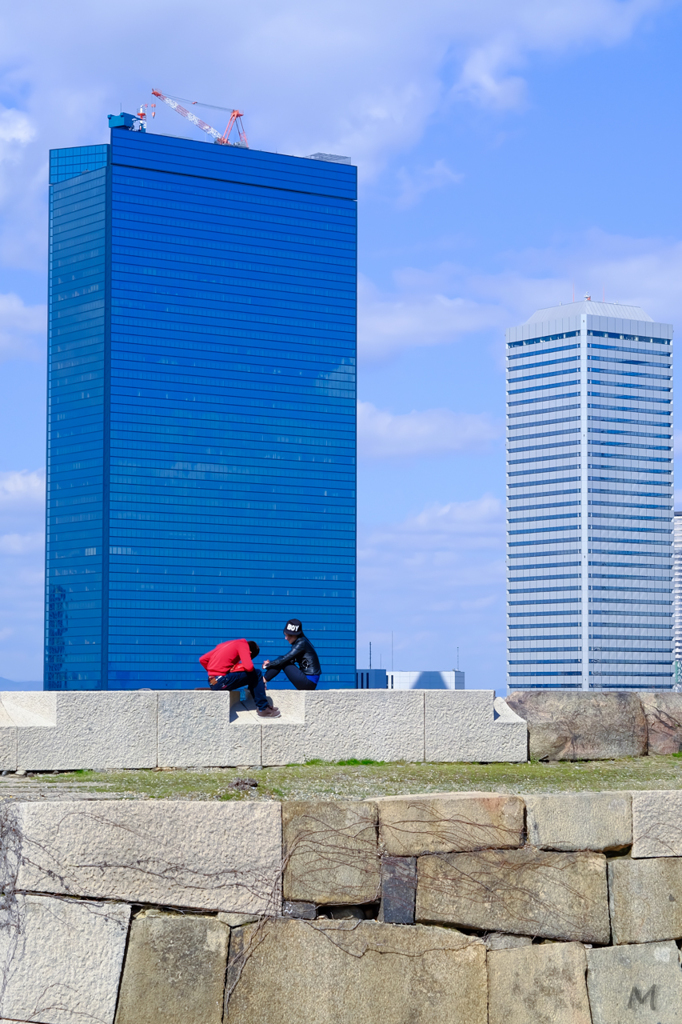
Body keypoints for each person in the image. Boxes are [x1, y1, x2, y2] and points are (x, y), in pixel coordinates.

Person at [198, 638, 281, 718]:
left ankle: (263, 705)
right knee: (257, 673)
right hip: (221, 680)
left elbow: (202, 659)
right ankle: (263, 708)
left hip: (212, 681)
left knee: (252, 676)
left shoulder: (224, 645)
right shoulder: (243, 645)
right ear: (250, 652)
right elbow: (248, 667)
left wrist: (214, 673)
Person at [262, 618, 321, 691]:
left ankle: (262, 681)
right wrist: (270, 663)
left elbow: (284, 659)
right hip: (307, 680)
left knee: (283, 661)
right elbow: (288, 659)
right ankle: (262, 681)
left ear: (295, 635)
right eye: (285, 635)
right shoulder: (300, 643)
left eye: (288, 636)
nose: (286, 638)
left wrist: (268, 665)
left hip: (309, 683)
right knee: (283, 660)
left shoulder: (301, 643)